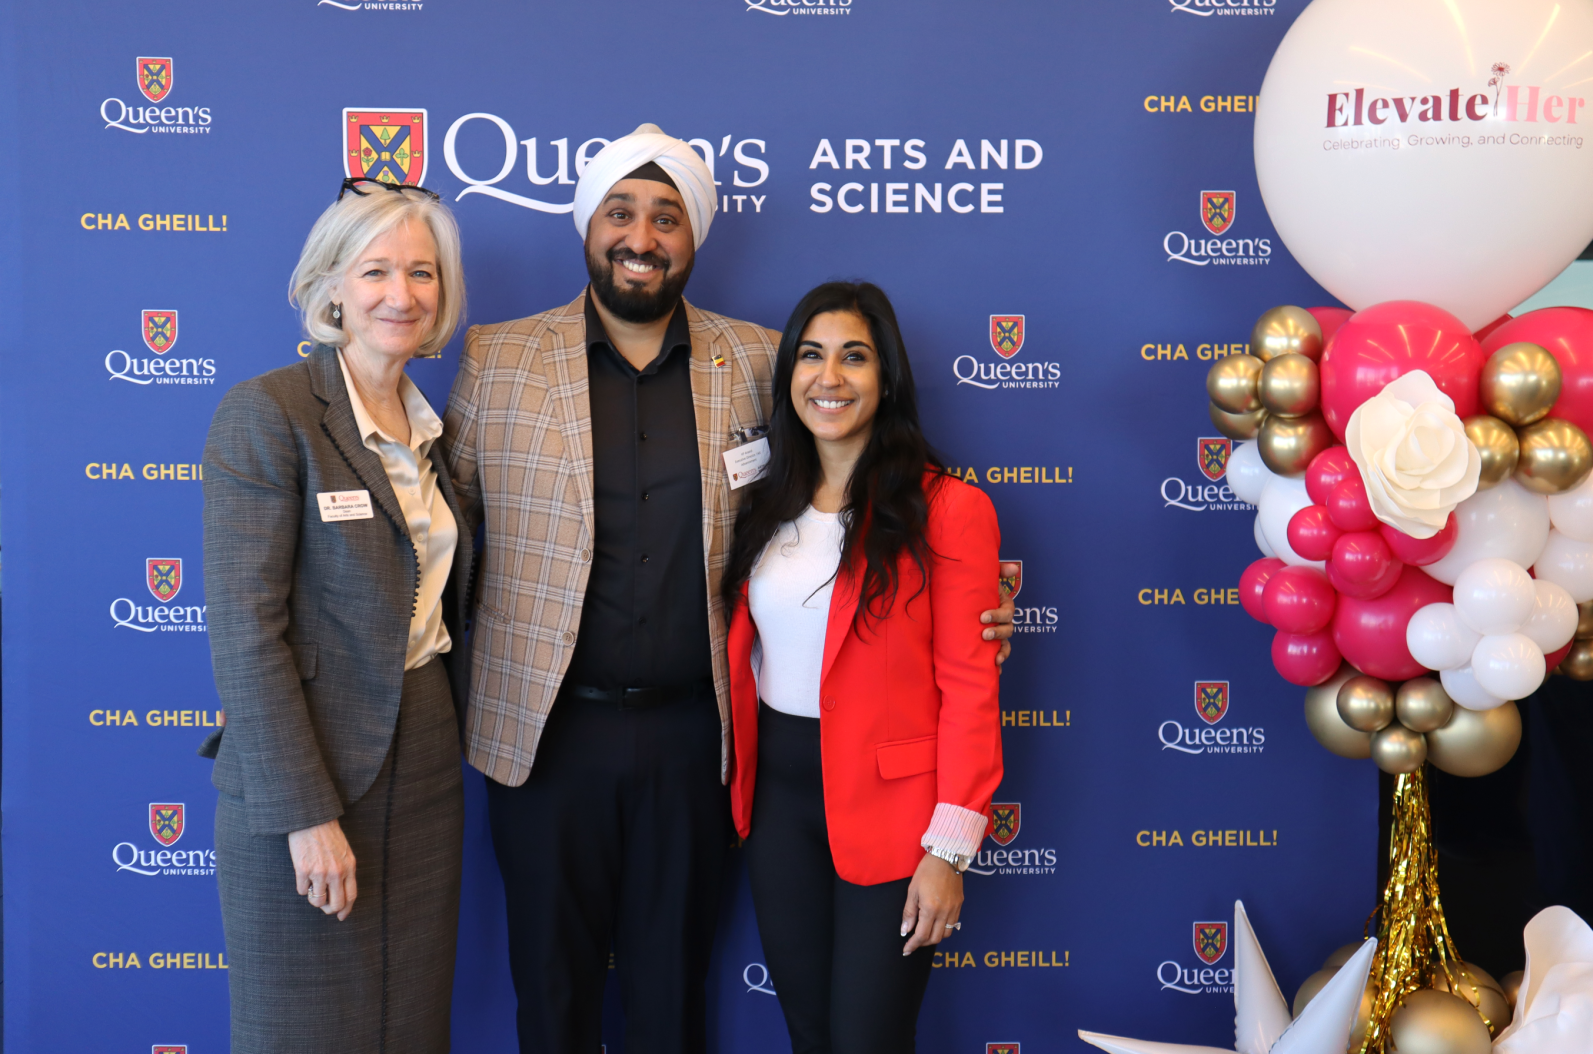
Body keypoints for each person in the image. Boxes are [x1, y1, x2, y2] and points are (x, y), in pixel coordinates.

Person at [440, 124, 1017, 1054]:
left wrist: (979, 599)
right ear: (587, 224)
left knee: (674, 994)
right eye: (621, 212)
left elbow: (868, 507)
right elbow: (444, 539)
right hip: (544, 737)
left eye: (667, 217)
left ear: (693, 238)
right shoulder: (497, 359)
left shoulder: (756, 361)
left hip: (694, 739)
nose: (642, 236)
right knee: (551, 991)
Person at [201, 179, 474, 1054]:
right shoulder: (271, 413)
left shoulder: (437, 429)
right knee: (302, 1032)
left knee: (410, 1023)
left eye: (423, 273)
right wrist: (306, 813)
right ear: (330, 288)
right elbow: (247, 631)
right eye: (377, 270)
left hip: (425, 751)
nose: (403, 294)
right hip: (306, 764)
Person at [722, 281, 1004, 1054]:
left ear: (888, 378)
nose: (830, 377)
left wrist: (947, 851)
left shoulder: (947, 508)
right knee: (811, 1034)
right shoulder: (764, 503)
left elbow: (973, 688)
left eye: (855, 357)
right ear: (789, 375)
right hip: (779, 806)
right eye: (811, 356)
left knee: (867, 1041)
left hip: (895, 815)